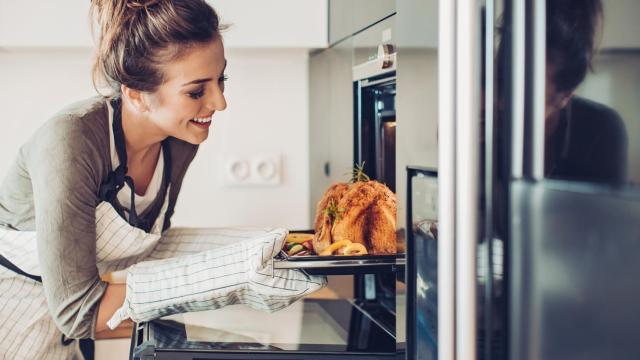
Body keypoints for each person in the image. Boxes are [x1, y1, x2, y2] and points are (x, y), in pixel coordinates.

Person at [0, 1, 324, 359]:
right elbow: (79, 312)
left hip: (66, 338)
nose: (220, 102)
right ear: (136, 95)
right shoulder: (72, 140)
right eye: (197, 91)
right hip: (11, 318)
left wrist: (282, 250)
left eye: (222, 80)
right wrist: (230, 278)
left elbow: (149, 250)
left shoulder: (179, 143)